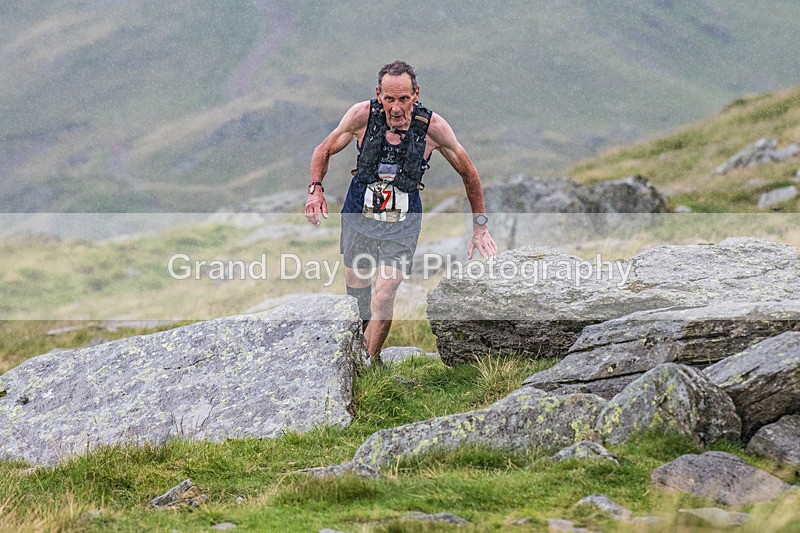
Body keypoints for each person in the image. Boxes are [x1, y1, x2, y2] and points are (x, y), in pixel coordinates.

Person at [305, 60, 497, 364]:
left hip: (403, 223)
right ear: (378, 94)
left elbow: (469, 173)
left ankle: (364, 366)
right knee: (359, 296)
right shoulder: (361, 116)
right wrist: (315, 189)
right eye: (390, 98)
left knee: (384, 294)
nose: (396, 107)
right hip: (359, 214)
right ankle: (366, 355)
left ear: (416, 94)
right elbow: (323, 150)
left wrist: (480, 226)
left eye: (404, 99)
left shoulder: (433, 128)